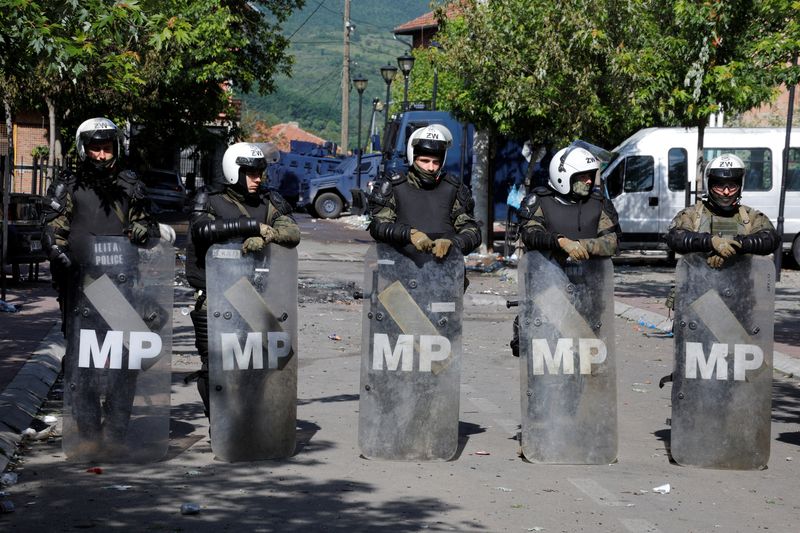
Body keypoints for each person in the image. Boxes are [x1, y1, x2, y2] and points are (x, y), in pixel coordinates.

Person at [42, 116, 161, 448]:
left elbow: (150, 231)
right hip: (83, 286)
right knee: (84, 365)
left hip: (122, 289)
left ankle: (116, 431)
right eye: (95, 149)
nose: (101, 155)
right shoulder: (68, 186)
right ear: (84, 149)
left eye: (106, 148)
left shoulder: (130, 185)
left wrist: (143, 233)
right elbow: (52, 231)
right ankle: (90, 434)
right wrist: (62, 258)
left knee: (127, 362)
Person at [186, 142, 300, 418]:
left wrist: (268, 235)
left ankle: (251, 422)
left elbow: (291, 231)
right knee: (215, 366)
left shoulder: (268, 201)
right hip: (216, 294)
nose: (257, 178)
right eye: (250, 173)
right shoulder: (210, 198)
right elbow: (202, 230)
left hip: (256, 296)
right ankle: (221, 423)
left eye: (260, 172)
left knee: (269, 360)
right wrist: (248, 227)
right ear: (233, 171)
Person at [510, 144, 618, 356]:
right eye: (582, 176)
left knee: (586, 366)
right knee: (546, 365)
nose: (589, 181)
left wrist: (583, 246)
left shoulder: (599, 204)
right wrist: (559, 241)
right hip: (548, 294)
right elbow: (530, 233)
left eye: (590, 175)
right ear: (564, 176)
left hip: (588, 295)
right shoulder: (539, 201)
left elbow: (612, 240)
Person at [367, 124, 481, 259]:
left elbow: (472, 230)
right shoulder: (393, 185)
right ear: (413, 158)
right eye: (425, 161)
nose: (431, 167)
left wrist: (453, 243)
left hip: (444, 271)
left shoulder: (454, 188)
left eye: (435, 162)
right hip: (399, 269)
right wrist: (409, 234)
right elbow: (378, 226)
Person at [665, 153, 779, 265]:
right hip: (698, 282)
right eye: (720, 186)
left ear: (740, 186)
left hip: (741, 282)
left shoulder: (751, 216)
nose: (726, 192)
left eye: (732, 186)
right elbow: (675, 238)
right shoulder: (692, 214)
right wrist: (710, 242)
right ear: (709, 185)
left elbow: (770, 239)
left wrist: (734, 246)